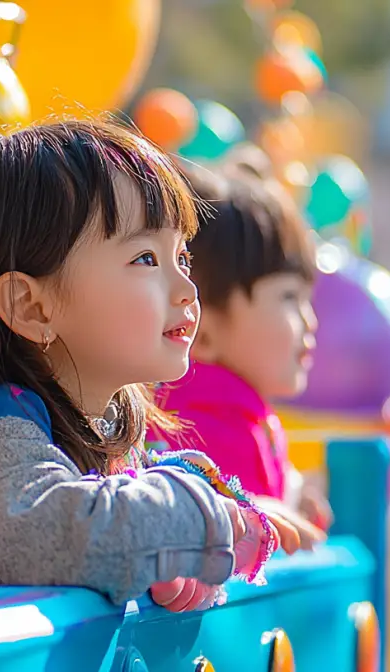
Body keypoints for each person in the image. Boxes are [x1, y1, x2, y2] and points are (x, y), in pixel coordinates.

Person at [0, 122, 298, 612]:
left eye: (182, 258)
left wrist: (201, 540)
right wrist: (193, 512)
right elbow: (41, 534)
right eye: (146, 259)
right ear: (31, 307)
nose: (187, 290)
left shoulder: (106, 432)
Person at [152, 163, 331, 533]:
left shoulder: (234, 413)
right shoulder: (210, 428)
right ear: (203, 331)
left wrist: (293, 500)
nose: (311, 321)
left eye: (307, 300)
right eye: (289, 297)